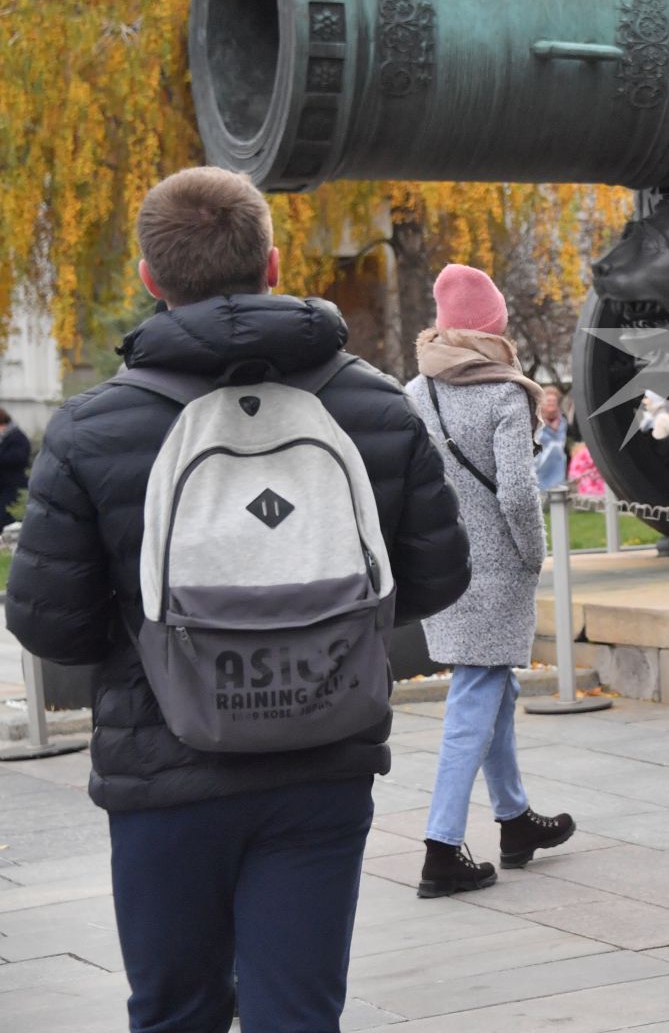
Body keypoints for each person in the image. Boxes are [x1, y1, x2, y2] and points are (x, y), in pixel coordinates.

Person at [4, 167, 472, 1030]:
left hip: (164, 771)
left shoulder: (91, 428)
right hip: (323, 759)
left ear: (151, 277)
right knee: (298, 1013)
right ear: (273, 260)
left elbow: (49, 626)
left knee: (176, 1010)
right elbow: (437, 578)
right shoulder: (373, 407)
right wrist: (315, 625)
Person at [407, 264, 575, 897]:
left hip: (441, 561)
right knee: (475, 695)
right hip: (498, 567)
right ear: (494, 327)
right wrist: (533, 556)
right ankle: (441, 847)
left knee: (492, 685)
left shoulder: (415, 392)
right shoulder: (507, 393)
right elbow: (516, 492)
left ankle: (514, 820)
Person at [534, 384, 569, 490]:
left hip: (558, 466)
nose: (551, 403)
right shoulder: (536, 422)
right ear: (542, 403)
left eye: (553, 401)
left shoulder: (563, 422)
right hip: (540, 468)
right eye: (548, 400)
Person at [0, 406, 29, 530]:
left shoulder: (17, 437)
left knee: (7, 516)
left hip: (13, 486)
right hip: (4, 485)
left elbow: (18, 458)